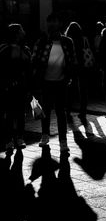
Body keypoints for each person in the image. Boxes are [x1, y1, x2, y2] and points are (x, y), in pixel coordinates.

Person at [32, 12, 74, 153]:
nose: (52, 25)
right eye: (50, 22)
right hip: (46, 82)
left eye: (55, 22)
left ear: (60, 24)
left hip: (61, 82)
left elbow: (72, 61)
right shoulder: (42, 41)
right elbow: (34, 60)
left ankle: (63, 141)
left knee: (61, 113)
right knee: (46, 111)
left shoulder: (67, 42)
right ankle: (45, 136)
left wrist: (70, 76)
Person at [0, 23, 31, 152]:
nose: (24, 31)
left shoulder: (24, 49)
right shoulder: (6, 49)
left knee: (18, 113)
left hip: (20, 86)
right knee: (12, 114)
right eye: (21, 30)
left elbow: (29, 68)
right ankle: (11, 139)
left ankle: (17, 138)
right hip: (10, 86)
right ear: (17, 33)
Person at [64, 21, 94, 121]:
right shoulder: (84, 39)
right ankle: (83, 111)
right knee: (83, 89)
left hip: (72, 66)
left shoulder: (68, 40)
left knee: (70, 89)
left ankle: (68, 110)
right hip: (83, 66)